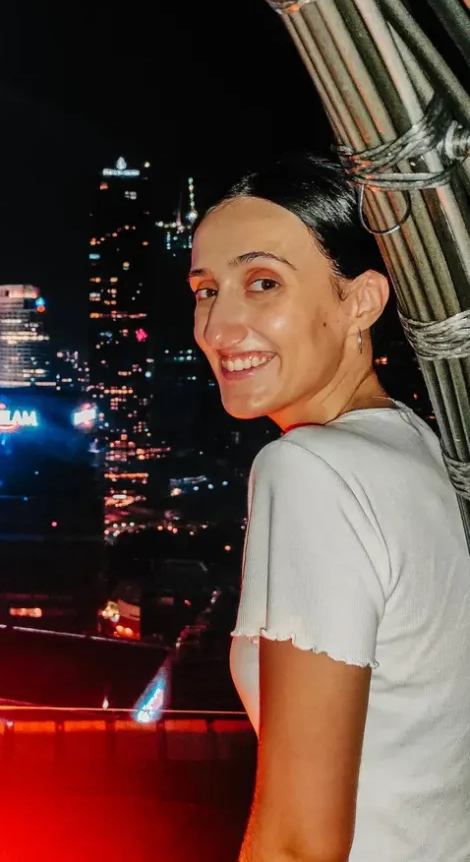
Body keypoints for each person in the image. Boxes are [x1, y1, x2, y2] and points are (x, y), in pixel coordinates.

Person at [190, 153, 470, 862]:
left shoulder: (311, 470)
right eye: (205, 291)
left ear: (361, 302)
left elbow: (297, 845)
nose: (219, 327)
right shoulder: (416, 444)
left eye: (263, 284)